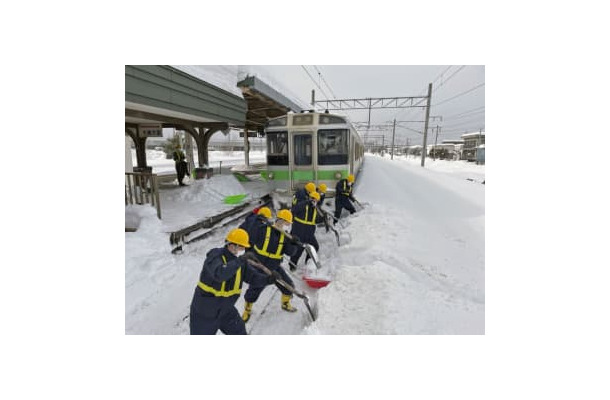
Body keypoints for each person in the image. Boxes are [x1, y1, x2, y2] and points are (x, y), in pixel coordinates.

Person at [189, 228, 274, 335]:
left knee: (240, 332)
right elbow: (220, 274)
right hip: (205, 313)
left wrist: (268, 279)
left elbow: (253, 278)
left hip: (226, 310)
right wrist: (240, 260)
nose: (244, 250)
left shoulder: (240, 262)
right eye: (242, 247)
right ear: (232, 245)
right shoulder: (215, 256)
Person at [242, 209, 300, 322]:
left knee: (288, 286)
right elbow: (250, 237)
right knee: (254, 290)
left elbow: (290, 252)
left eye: (289, 224)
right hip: (259, 266)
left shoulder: (287, 237)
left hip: (274, 267)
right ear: (280, 221)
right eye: (287, 223)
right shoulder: (263, 230)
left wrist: (293, 243)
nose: (288, 226)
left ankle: (285, 304)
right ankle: (247, 310)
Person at [290, 191, 324, 270]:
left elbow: (315, 220)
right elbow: (295, 209)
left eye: (316, 200)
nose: (315, 202)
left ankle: (308, 263)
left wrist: (322, 218)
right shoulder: (303, 205)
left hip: (309, 233)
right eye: (313, 199)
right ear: (310, 198)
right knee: (298, 249)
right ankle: (292, 265)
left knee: (315, 247)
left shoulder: (315, 208)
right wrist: (307, 202)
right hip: (299, 231)